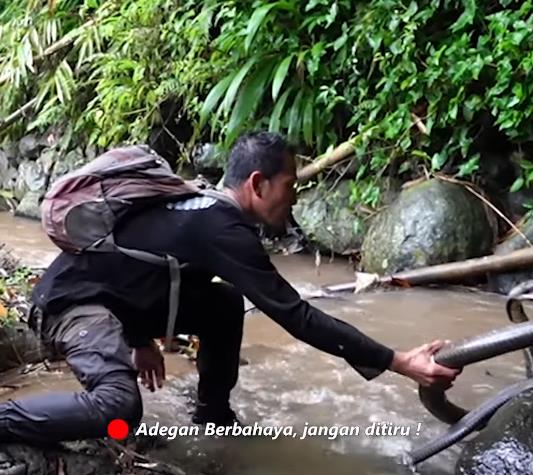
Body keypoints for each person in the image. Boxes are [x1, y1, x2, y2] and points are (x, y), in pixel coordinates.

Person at [0, 131, 460, 446]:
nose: (294, 198)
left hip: (107, 301)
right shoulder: (221, 227)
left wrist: (141, 341)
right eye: (289, 185)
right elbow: (295, 316)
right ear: (258, 184)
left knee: (222, 302)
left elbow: (131, 263)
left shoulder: (204, 209)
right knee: (119, 409)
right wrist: (399, 362)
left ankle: (212, 416)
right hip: (68, 307)